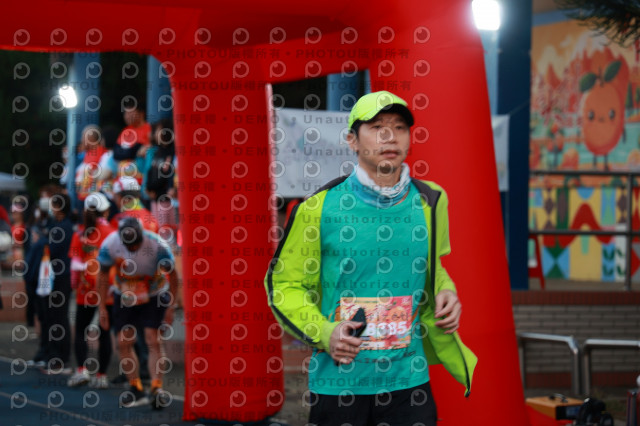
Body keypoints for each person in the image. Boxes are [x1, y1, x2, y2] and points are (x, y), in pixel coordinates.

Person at [264, 91, 477, 426]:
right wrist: (325, 332)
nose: (390, 136)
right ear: (352, 140)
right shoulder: (318, 207)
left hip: (409, 380)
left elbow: (433, 269)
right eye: (377, 127)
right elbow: (284, 286)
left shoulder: (432, 200)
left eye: (399, 127)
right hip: (341, 382)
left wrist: (446, 291)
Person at [97, 217, 179, 408]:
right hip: (124, 295)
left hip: (153, 294)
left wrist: (171, 306)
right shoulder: (110, 244)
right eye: (129, 246)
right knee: (123, 342)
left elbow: (173, 275)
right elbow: (102, 274)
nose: (133, 248)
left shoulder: (158, 245)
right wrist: (102, 307)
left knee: (152, 339)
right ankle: (136, 387)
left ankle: (156, 387)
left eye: (136, 244)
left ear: (142, 237)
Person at [67, 192, 115, 388]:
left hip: (85, 290)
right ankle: (102, 376)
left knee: (81, 330)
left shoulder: (79, 234)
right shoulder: (113, 234)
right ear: (106, 210)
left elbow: (74, 265)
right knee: (105, 332)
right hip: (108, 290)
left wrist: (73, 285)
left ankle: (82, 370)